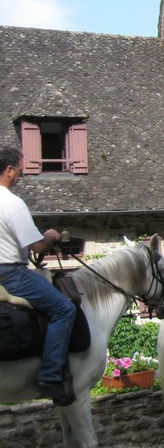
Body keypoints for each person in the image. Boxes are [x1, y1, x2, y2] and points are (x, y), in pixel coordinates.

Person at [0, 146, 76, 405]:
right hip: (10, 273)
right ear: (9, 170)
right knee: (64, 309)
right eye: (19, 171)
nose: (20, 176)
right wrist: (52, 236)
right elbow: (37, 248)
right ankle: (50, 374)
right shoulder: (12, 203)